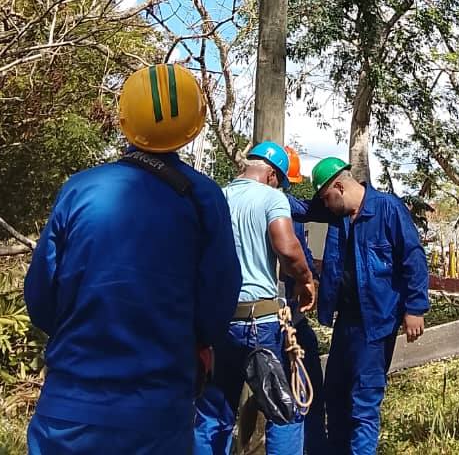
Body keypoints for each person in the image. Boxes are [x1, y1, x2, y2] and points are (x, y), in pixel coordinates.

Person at [24, 64, 241, 455]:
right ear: (196, 124)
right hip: (157, 416)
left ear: (124, 120)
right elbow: (218, 301)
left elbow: (40, 300)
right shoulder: (203, 197)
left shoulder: (78, 190)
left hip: (68, 412)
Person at [302, 157, 429, 455]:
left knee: (364, 401)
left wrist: (415, 309)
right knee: (335, 395)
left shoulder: (387, 209)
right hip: (346, 322)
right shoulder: (340, 215)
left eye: (325, 198)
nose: (325, 205)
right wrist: (270, 198)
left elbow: (413, 257)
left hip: (376, 323)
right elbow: (302, 210)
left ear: (339, 186)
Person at [213, 140, 316, 455]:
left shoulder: (217, 197)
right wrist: (306, 280)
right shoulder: (272, 198)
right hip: (259, 324)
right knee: (284, 410)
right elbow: (287, 247)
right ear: (273, 175)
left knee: (214, 412)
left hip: (218, 321)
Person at [283, 146, 327, 455]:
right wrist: (310, 280)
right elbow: (299, 252)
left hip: (234, 316)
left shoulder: (228, 201)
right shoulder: (283, 207)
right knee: (303, 393)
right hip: (287, 318)